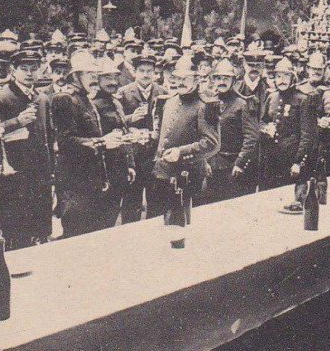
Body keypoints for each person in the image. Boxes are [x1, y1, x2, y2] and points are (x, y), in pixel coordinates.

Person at [51, 52, 136, 237]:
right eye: (89, 74)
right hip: (75, 183)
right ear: (75, 75)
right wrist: (102, 142)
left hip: (92, 180)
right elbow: (65, 142)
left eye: (95, 74)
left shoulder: (85, 98)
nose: (94, 78)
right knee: (78, 236)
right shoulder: (65, 99)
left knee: (97, 234)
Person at [0, 48, 55, 249]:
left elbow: (48, 134)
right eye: (24, 68)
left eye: (34, 68)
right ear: (13, 70)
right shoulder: (2, 97)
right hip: (17, 173)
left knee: (40, 227)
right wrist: (17, 122)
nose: (29, 73)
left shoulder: (42, 98)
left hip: (40, 172)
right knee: (17, 230)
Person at [149, 53, 220, 217]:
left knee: (181, 222)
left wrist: (181, 152)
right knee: (160, 220)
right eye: (177, 78)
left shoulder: (204, 106)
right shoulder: (169, 100)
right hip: (162, 171)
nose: (180, 83)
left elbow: (211, 143)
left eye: (185, 79)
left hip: (187, 174)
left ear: (196, 81)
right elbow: (162, 134)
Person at [244, 56, 317, 205]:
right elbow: (263, 121)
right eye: (278, 76)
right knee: (269, 200)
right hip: (271, 160)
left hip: (291, 161)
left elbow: (307, 135)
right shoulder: (272, 96)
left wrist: (298, 162)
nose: (281, 80)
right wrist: (265, 128)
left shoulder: (302, 99)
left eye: (286, 76)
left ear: (293, 78)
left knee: (291, 204)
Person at [202, 57, 259, 204]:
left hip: (234, 167)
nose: (222, 82)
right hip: (212, 166)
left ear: (233, 81)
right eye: (218, 78)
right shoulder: (209, 102)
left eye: (226, 78)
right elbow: (203, 134)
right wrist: (205, 160)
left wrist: (240, 162)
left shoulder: (242, 104)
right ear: (213, 80)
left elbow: (251, 138)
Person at [117, 52, 165, 222]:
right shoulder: (124, 92)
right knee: (131, 201)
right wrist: (131, 118)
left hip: (153, 155)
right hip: (133, 154)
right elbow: (116, 121)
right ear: (135, 72)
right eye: (142, 70)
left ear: (154, 73)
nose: (146, 75)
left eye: (149, 71)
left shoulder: (162, 92)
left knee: (156, 200)